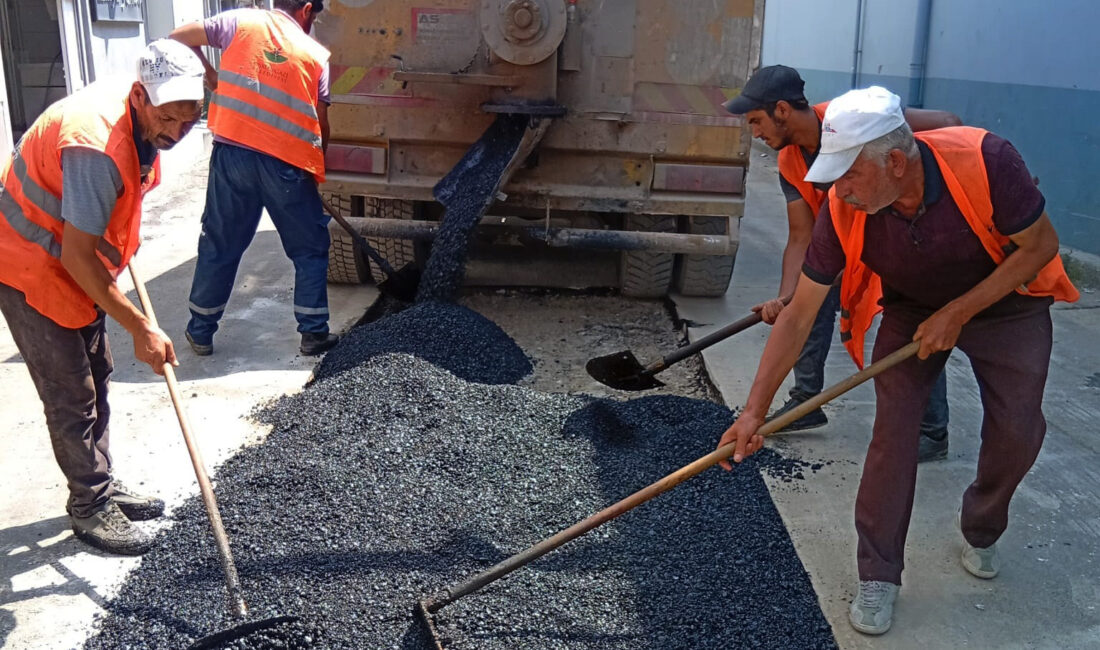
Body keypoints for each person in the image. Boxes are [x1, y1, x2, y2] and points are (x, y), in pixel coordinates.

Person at [716, 86, 1077, 635]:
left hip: (1009, 306)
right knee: (893, 434)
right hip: (911, 308)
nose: (839, 190)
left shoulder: (987, 162)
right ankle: (878, 573)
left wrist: (959, 312)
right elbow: (799, 314)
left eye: (848, 176)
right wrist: (753, 412)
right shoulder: (845, 206)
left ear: (894, 162)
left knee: (1018, 431)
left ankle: (982, 523)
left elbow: (1040, 246)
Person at [0, 40, 205, 555]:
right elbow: (76, 256)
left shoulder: (143, 124)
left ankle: (103, 483)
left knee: (98, 372)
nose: (177, 134)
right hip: (28, 261)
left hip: (71, 256)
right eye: (169, 120)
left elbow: (99, 229)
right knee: (71, 391)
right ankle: (89, 506)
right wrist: (141, 325)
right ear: (140, 96)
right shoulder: (96, 148)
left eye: (189, 121)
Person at [723, 65, 960, 462]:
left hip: (899, 234)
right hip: (842, 242)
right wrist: (786, 297)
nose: (756, 133)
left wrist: (944, 185)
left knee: (918, 326)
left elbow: (949, 123)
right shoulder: (790, 163)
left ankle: (932, 431)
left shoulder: (854, 117)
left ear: (782, 110)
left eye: (756, 121)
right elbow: (801, 235)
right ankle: (806, 399)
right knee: (806, 307)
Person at [170, 0, 338, 357]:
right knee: (309, 249)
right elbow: (321, 126)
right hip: (287, 165)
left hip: (232, 156)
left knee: (220, 242)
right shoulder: (315, 55)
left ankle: (200, 331)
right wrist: (314, 169)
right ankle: (313, 333)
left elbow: (178, 36)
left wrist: (208, 75)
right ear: (307, 9)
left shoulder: (239, 22)